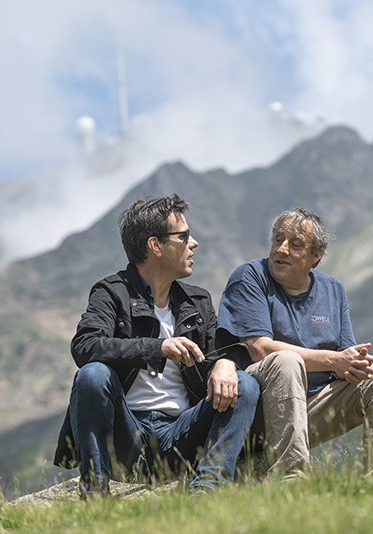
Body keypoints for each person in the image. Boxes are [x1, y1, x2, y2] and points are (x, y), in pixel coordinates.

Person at [53, 194, 259, 496]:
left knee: (244, 384)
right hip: (125, 437)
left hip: (181, 435)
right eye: (183, 236)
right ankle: (95, 494)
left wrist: (227, 363)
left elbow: (231, 349)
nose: (194, 243)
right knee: (92, 375)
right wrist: (157, 348)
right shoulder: (112, 292)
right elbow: (85, 346)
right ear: (155, 245)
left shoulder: (197, 301)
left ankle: (207, 491)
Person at [217, 207, 373, 478]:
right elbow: (260, 348)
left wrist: (355, 365)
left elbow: (345, 359)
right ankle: (292, 479)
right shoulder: (249, 276)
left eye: (295, 245)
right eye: (278, 240)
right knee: (286, 361)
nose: (282, 249)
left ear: (316, 255)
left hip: (313, 406)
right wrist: (334, 360)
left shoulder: (333, 289)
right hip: (262, 412)